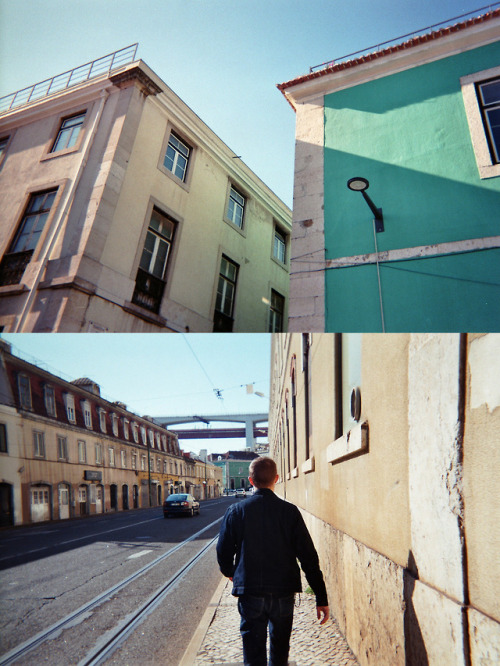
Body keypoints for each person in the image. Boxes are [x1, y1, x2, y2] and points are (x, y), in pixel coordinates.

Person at [216, 456, 329, 666]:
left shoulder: (236, 512)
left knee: (253, 652)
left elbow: (223, 552)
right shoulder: (290, 512)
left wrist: (231, 572)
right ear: (276, 478)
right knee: (280, 652)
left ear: (250, 481)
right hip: (283, 592)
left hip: (250, 591)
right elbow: (308, 558)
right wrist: (320, 597)